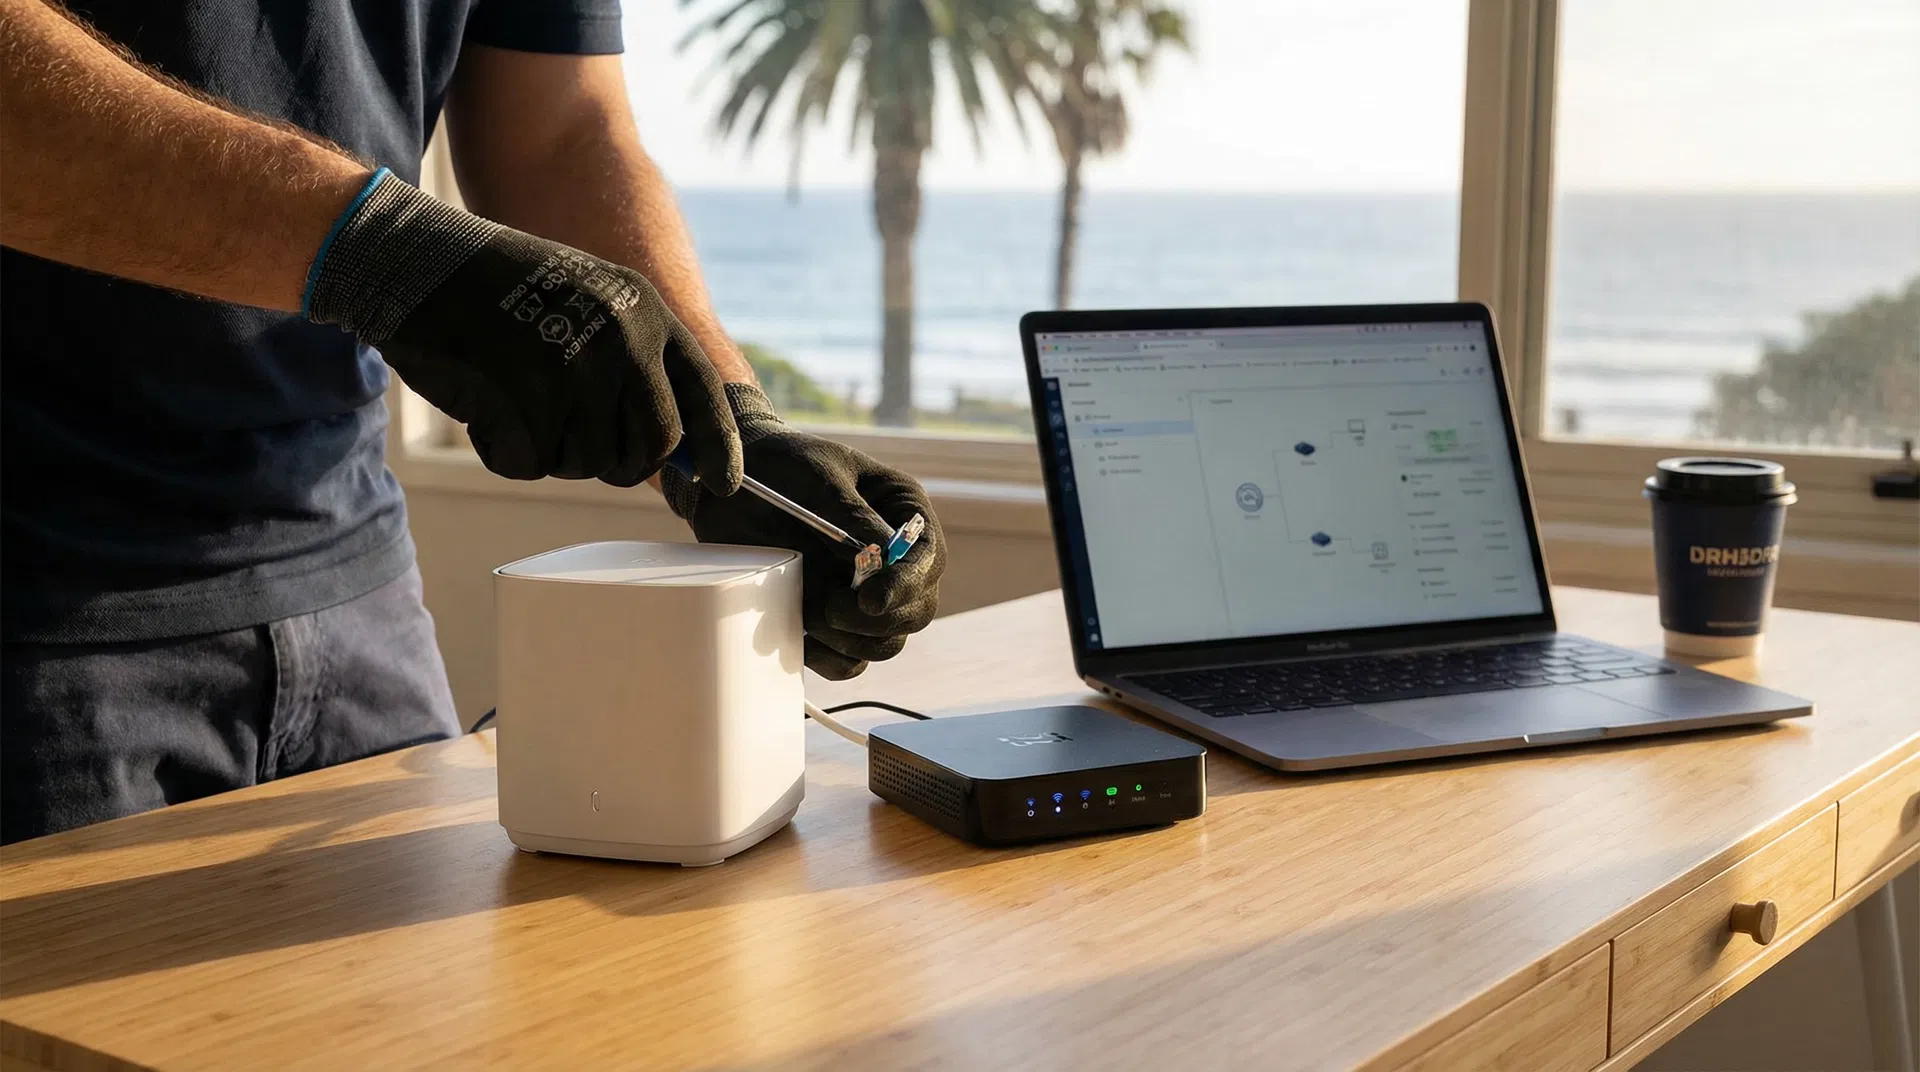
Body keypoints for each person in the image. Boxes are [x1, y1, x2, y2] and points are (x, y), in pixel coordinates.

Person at [0, 0, 946, 843]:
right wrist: (389, 256)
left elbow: (561, 129)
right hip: (36, 612)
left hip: (355, 594)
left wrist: (731, 428)